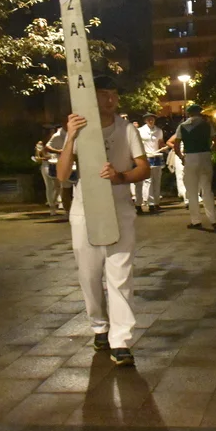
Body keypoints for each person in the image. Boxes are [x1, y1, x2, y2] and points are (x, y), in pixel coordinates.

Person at [58, 75, 149, 367]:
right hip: (85, 210)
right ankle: (99, 325)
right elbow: (62, 175)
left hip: (119, 208)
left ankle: (121, 341)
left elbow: (143, 167)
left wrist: (120, 176)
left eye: (113, 94)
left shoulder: (127, 128)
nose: (110, 99)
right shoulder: (79, 127)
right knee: (89, 274)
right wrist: (71, 137)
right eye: (103, 93)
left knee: (120, 275)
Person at [168, 104, 216, 231]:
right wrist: (209, 150)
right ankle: (213, 220)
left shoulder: (182, 126)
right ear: (200, 112)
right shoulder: (207, 125)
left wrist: (181, 157)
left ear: (189, 113)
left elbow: (176, 146)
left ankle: (196, 221)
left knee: (192, 191)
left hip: (190, 157)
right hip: (205, 157)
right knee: (207, 189)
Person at [133, 112, 165, 214]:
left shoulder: (158, 131)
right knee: (147, 181)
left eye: (152, 119)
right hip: (145, 157)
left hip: (156, 156)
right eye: (148, 119)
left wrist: (164, 147)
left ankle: (156, 202)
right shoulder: (140, 131)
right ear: (145, 121)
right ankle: (148, 204)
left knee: (156, 180)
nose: (150, 121)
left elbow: (160, 143)